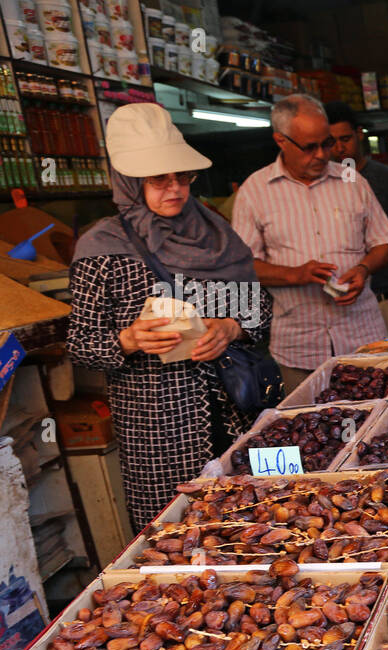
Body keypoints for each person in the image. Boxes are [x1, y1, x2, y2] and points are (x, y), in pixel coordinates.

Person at [68, 103, 273, 533]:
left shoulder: (214, 231)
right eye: (159, 179)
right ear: (129, 181)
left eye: (183, 176)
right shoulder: (100, 247)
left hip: (238, 411)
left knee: (264, 524)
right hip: (159, 435)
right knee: (178, 538)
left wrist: (231, 327)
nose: (175, 188)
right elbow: (81, 344)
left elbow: (260, 307)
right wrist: (128, 339)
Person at [232, 93, 388, 393]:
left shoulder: (353, 181)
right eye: (310, 147)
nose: (322, 154)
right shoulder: (254, 192)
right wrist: (295, 274)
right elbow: (242, 268)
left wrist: (363, 268)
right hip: (299, 348)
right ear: (281, 141)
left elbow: (386, 242)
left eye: (327, 143)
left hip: (363, 339)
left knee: (379, 427)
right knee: (308, 431)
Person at [324, 101, 388, 336]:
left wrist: (375, 225)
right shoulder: (320, 184)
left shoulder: (386, 177)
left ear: (359, 134)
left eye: (345, 139)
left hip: (387, 297)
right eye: (331, 142)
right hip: (340, 302)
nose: (339, 147)